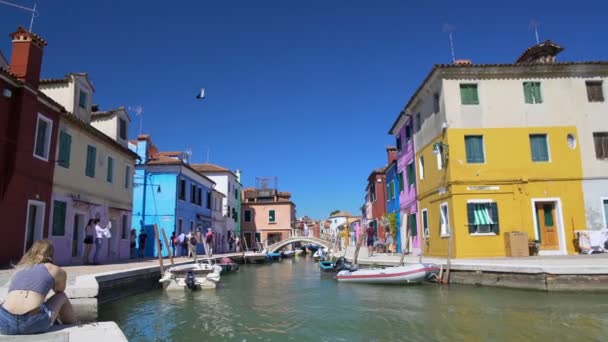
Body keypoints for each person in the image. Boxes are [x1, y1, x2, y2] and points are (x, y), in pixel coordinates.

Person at [0, 240, 76, 335]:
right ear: (51, 253)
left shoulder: (20, 268)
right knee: (62, 296)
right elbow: (59, 290)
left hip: (4, 324)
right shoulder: (55, 269)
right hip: (33, 323)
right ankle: (72, 324)